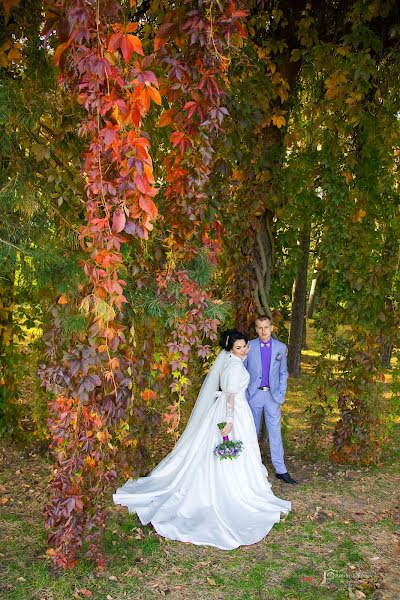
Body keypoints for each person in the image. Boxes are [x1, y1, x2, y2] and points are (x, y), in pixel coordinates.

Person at [113, 329, 291, 550]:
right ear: (230, 349)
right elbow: (231, 396)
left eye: (245, 346)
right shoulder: (234, 366)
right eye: (239, 347)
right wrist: (229, 421)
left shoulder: (230, 363)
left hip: (232, 410)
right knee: (229, 451)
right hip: (232, 413)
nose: (244, 350)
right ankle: (230, 489)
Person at [245, 315, 297, 485]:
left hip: (273, 397)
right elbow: (243, 372)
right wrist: (245, 394)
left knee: (275, 432)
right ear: (255, 328)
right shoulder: (249, 347)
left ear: (272, 328)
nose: (263, 331)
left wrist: (281, 393)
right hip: (254, 396)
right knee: (251, 431)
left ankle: (281, 470)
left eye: (266, 327)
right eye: (259, 327)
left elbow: (283, 372)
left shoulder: (281, 348)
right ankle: (250, 468)